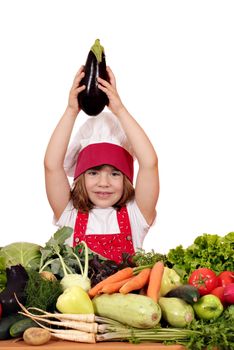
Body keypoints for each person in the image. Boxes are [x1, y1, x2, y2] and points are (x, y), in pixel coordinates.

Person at [44, 65, 159, 263]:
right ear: (80, 177)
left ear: (126, 179)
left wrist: (120, 110)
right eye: (94, 173)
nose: (103, 182)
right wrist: (72, 111)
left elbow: (149, 163)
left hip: (128, 295)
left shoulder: (136, 214)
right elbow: (52, 166)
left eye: (115, 173)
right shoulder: (70, 213)